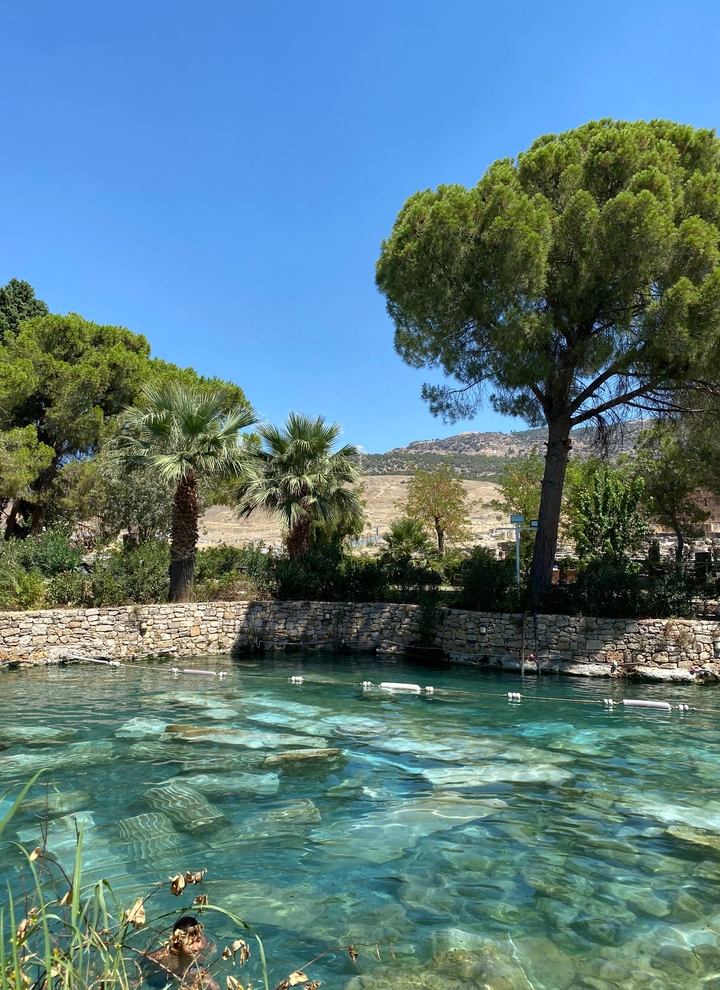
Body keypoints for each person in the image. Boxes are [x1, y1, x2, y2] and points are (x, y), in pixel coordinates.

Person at [147, 916, 218, 989]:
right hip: (167, 978)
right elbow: (146, 957)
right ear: (177, 944)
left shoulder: (203, 941)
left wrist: (212, 947)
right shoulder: (165, 954)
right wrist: (136, 978)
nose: (196, 948)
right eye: (189, 944)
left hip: (195, 967)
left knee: (213, 986)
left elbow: (208, 940)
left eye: (198, 940)